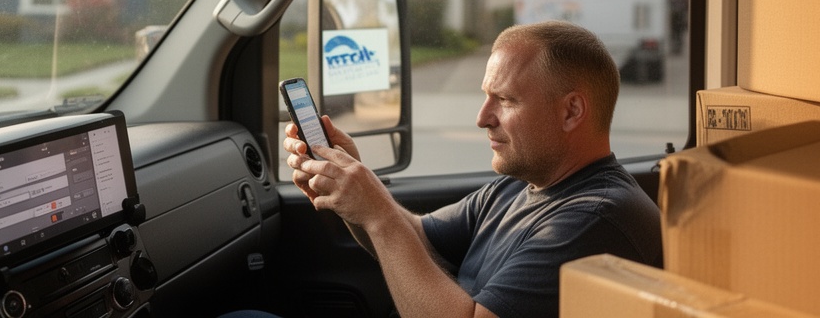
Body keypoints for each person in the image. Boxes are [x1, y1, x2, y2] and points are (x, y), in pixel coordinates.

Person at [240, 21, 662, 318]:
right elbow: (420, 240)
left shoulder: (594, 219)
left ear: (572, 111)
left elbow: (395, 233)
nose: (482, 117)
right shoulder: (520, 186)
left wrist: (377, 213)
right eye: (485, 97)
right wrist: (355, 189)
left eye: (506, 100)